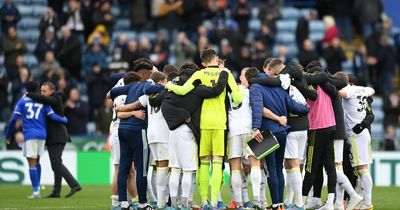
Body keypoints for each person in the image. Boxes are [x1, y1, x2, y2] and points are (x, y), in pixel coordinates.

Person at [165, 49, 243, 209]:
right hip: (220, 123)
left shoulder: (199, 74)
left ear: (203, 62)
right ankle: (215, 202)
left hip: (204, 123)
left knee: (204, 163)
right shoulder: (226, 74)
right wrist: (238, 89)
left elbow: (183, 90)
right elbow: (237, 98)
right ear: (216, 59)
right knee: (218, 162)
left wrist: (169, 85)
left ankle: (204, 201)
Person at [149, 63, 231, 209]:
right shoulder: (196, 88)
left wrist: (165, 86)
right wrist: (224, 73)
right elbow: (216, 90)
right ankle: (186, 203)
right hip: (187, 132)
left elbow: (153, 100)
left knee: (175, 168)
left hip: (172, 132)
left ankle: (173, 204)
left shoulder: (171, 87)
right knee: (187, 170)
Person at [247, 60, 309, 210]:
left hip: (267, 131)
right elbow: (292, 105)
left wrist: (255, 127)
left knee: (271, 169)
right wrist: (305, 108)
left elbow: (257, 108)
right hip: (282, 132)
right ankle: (280, 204)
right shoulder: (279, 87)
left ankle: (274, 203)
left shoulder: (256, 86)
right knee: (279, 169)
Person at [109, 60, 164, 210]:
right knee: (142, 169)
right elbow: (151, 90)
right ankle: (142, 204)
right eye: (151, 73)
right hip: (138, 130)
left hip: (122, 129)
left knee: (124, 168)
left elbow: (111, 93)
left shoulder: (130, 86)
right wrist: (163, 86)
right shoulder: (145, 84)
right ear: (145, 74)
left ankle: (123, 204)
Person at [5, 81, 68, 199]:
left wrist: (8, 135)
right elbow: (53, 116)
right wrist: (65, 120)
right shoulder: (43, 102)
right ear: (37, 90)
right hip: (42, 135)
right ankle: (37, 188)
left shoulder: (23, 101)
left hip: (30, 135)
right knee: (37, 161)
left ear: (27, 90)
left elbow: (14, 119)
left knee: (32, 163)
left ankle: (36, 192)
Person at [26, 82, 81, 198]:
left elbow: (42, 99)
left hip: (58, 136)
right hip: (54, 137)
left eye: (44, 91)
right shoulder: (52, 99)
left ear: (51, 91)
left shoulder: (56, 99)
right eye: (40, 91)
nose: (42, 93)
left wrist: (29, 94)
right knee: (56, 164)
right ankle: (56, 191)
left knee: (56, 164)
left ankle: (74, 185)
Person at [336, 72, 375, 210]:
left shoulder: (348, 90)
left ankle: (367, 202)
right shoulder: (362, 89)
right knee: (362, 169)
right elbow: (372, 90)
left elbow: (343, 94)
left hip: (355, 134)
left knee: (362, 169)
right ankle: (366, 201)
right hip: (364, 133)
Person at [227, 67, 262, 209]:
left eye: (241, 74)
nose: (240, 76)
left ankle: (240, 203)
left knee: (235, 168)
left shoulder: (229, 93)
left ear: (244, 78)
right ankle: (257, 200)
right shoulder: (251, 92)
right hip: (250, 129)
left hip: (233, 131)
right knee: (255, 164)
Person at [107, 72, 142, 210]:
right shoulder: (123, 95)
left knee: (130, 171)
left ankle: (134, 200)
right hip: (118, 131)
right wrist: (134, 113)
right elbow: (120, 113)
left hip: (123, 131)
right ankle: (115, 203)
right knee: (119, 169)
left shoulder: (122, 92)